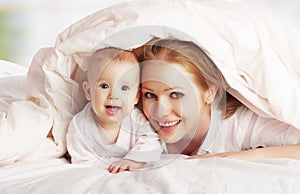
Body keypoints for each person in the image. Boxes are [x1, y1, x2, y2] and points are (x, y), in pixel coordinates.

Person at [137, 37, 300, 162]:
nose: (160, 110)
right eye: (150, 95)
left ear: (209, 93)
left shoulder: (238, 123)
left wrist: (244, 156)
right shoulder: (136, 118)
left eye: (176, 95)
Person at [66, 48, 162, 174]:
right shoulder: (80, 125)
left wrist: (132, 161)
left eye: (124, 88)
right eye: (104, 86)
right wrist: (109, 167)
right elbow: (82, 159)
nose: (114, 95)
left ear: (136, 97)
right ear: (88, 92)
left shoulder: (137, 120)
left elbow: (152, 143)